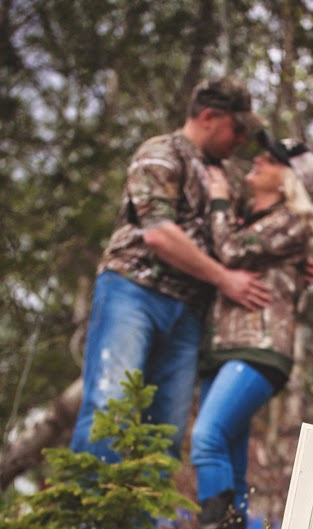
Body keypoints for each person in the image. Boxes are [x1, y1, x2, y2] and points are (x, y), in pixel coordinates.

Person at [70, 76, 271, 463]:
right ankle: (87, 502)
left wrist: (295, 258)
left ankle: (147, 505)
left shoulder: (227, 178)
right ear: (209, 117)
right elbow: (159, 234)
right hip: (133, 292)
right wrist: (224, 279)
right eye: (238, 128)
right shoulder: (161, 152)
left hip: (189, 311)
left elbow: (249, 234)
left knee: (166, 429)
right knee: (110, 404)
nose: (242, 139)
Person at [188, 130, 313, 529]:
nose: (258, 161)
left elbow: (229, 251)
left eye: (271, 160)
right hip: (224, 349)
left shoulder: (293, 222)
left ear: (288, 180)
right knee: (230, 455)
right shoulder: (255, 220)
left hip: (260, 349)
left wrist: (220, 200)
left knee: (207, 438)